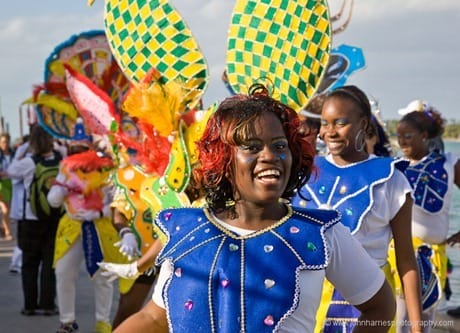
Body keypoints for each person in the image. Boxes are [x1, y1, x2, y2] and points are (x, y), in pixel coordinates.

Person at [107, 84, 396, 332]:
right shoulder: (188, 230)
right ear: (223, 160)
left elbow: (380, 307)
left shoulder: (322, 234)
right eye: (252, 147)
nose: (270, 156)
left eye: (280, 146)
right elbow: (154, 318)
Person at [292, 85, 423, 332]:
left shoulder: (391, 179)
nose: (330, 132)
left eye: (340, 123)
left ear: (363, 123)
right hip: (308, 302)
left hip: (370, 306)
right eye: (325, 123)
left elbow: (406, 260)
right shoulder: (306, 173)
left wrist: (417, 328)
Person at [47, 129, 125, 333]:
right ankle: (67, 321)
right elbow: (53, 201)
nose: (77, 152)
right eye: (74, 149)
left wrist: (99, 213)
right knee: (64, 272)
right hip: (71, 227)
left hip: (99, 227)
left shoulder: (105, 170)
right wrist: (60, 190)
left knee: (103, 276)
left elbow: (117, 202)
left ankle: (103, 321)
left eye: (81, 148)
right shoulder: (65, 170)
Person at [395, 107, 460, 329]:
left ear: (424, 136)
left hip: (432, 258)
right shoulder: (395, 168)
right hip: (398, 259)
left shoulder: (448, 165)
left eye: (408, 136)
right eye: (399, 136)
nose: (402, 141)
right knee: (398, 320)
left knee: (425, 321)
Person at [7, 125, 60, 316]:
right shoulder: (61, 160)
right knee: (49, 263)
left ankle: (29, 305)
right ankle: (47, 304)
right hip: (54, 218)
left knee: (29, 263)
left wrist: (22, 149)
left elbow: (11, 170)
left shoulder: (28, 162)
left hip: (30, 218)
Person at [8, 134, 30, 273]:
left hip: (30, 208)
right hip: (22, 208)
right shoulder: (22, 163)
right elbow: (13, 173)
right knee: (23, 238)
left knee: (26, 239)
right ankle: (17, 263)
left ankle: (19, 262)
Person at [0, 132, 14, 240]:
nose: (6, 144)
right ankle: (8, 232)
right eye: (3, 142)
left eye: (7, 142)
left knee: (9, 209)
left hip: (12, 182)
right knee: (5, 208)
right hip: (1, 184)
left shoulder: (13, 154)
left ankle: (4, 227)